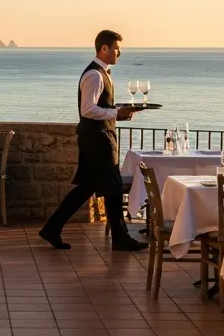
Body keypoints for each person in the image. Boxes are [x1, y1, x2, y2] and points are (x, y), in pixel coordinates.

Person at [39, 30, 147, 251]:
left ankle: (52, 228)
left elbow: (100, 107)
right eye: (116, 48)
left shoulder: (102, 73)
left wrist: (119, 110)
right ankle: (120, 238)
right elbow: (87, 109)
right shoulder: (95, 75)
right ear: (104, 48)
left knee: (90, 188)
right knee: (113, 187)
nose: (120, 52)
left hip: (99, 138)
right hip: (98, 141)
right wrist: (116, 114)